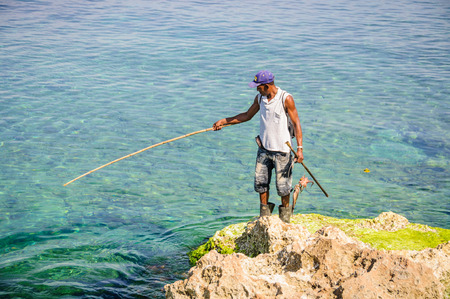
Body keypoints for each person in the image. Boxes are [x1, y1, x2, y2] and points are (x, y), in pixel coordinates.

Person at [213, 70, 303, 223]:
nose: (256, 89)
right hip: (263, 149)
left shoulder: (285, 99)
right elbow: (247, 116)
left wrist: (299, 148)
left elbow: (296, 123)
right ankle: (264, 219)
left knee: (283, 189)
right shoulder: (260, 98)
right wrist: (224, 121)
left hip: (283, 152)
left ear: (267, 86)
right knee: (261, 185)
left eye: (258, 86)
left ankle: (285, 222)